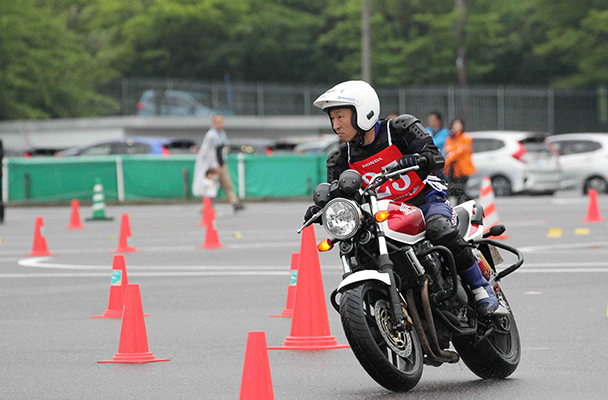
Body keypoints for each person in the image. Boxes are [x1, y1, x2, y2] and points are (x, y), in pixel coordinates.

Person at [306, 81, 499, 316]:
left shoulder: (400, 129)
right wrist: (324, 208)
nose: (336, 125)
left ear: (363, 112)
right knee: (359, 249)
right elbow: (339, 194)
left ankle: (481, 287)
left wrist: (419, 160)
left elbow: (436, 157)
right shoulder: (338, 157)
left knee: (438, 227)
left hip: (425, 200)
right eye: (332, 119)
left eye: (340, 117)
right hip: (384, 216)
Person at [192, 114, 244, 212]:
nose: (220, 124)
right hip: (212, 165)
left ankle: (235, 203)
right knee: (211, 186)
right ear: (214, 123)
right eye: (218, 122)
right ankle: (206, 206)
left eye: (221, 122)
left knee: (227, 184)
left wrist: (221, 163)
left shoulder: (221, 133)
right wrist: (215, 165)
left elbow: (223, 148)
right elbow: (210, 151)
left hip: (221, 163)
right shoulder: (211, 135)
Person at [443, 118, 475, 205]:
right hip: (452, 170)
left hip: (463, 170)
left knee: (461, 191)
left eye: (458, 124)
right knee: (453, 191)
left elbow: (459, 151)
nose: (456, 126)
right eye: (455, 124)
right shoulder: (450, 138)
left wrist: (452, 153)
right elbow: (448, 149)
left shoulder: (466, 137)